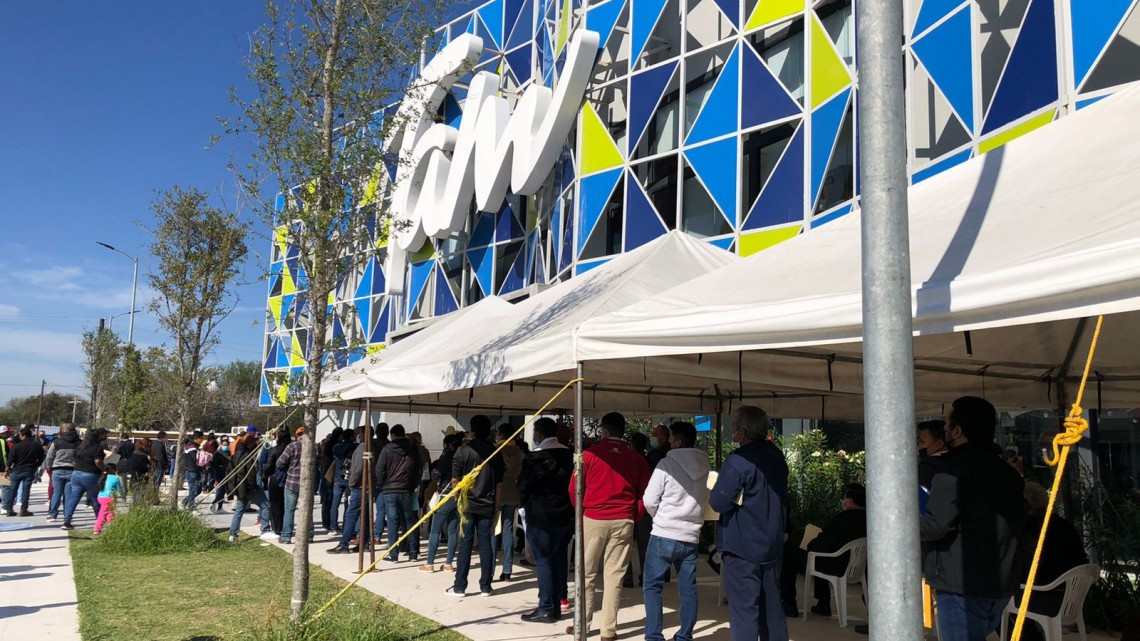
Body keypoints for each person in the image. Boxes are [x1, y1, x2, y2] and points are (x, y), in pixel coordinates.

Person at [921, 396, 1027, 641]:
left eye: (947, 424)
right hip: (1001, 582)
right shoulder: (1009, 474)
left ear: (957, 431)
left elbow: (936, 525)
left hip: (962, 584)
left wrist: (899, 524)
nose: (944, 428)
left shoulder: (952, 471)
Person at [567, 411, 651, 639]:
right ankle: (608, 630)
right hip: (624, 518)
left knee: (586, 573)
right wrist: (636, 514)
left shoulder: (589, 455)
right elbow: (645, 493)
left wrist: (581, 511)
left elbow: (574, 489)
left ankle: (581, 625)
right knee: (615, 576)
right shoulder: (637, 458)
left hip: (593, 517)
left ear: (604, 430)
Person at [711, 405, 789, 641]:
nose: (732, 431)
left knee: (745, 612)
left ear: (742, 432)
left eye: (734, 427)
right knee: (772, 612)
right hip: (772, 543)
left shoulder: (738, 461)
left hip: (743, 547)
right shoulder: (776, 456)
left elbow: (718, 502)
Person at [642, 421, 710, 641]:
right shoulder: (704, 464)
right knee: (688, 590)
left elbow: (649, 499)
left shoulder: (666, 464)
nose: (667, 441)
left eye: (670, 437)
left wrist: (659, 517)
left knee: (652, 586)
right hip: (690, 535)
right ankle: (685, 635)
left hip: (664, 532)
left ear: (678, 441)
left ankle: (654, 635)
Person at [1013, 482, 1088, 641]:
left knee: (1000, 600)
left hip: (1045, 598)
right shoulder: (1064, 526)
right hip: (1071, 600)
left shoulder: (1029, 529)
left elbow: (1023, 570)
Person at [517, 417, 573, 623]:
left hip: (540, 515)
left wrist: (523, 502)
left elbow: (523, 487)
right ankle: (560, 598)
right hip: (565, 514)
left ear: (539, 434)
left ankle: (547, 607)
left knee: (543, 560)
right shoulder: (569, 455)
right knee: (559, 558)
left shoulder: (534, 458)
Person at [445, 415, 504, 598]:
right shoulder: (495, 452)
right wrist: (496, 505)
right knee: (486, 545)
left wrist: (457, 498)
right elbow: (499, 484)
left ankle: (460, 586)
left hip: (467, 504)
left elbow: (455, 479)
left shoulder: (463, 451)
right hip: (487, 503)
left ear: (472, 430)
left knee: (465, 545)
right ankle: (486, 586)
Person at [795, 483, 867, 617]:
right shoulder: (869, 520)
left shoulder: (843, 520)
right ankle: (822, 603)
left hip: (837, 565)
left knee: (794, 556)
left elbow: (822, 544)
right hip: (857, 567)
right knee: (818, 556)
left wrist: (811, 543)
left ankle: (790, 603)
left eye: (844, 498)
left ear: (850, 501)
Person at [376, 424, 422, 561]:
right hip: (407, 489)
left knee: (392, 522)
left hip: (390, 490)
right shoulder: (413, 449)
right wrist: (413, 485)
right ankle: (413, 552)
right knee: (409, 521)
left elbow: (379, 470)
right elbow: (418, 470)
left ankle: (393, 553)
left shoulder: (387, 449)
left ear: (392, 435)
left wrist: (383, 483)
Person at [421, 431, 463, 572]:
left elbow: (436, 473)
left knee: (435, 530)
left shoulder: (449, 455)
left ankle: (429, 563)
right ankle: (449, 563)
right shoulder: (464, 454)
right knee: (452, 530)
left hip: (445, 494)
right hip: (458, 496)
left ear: (448, 445)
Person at [228, 427, 271, 542]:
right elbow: (250, 474)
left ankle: (233, 533)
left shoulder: (236, 454)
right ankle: (265, 530)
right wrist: (253, 487)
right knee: (265, 505)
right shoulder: (248, 457)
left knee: (239, 510)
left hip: (240, 487)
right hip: (249, 487)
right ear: (250, 444)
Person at [492, 422, 523, 581]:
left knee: (493, 532)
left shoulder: (496, 449)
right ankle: (507, 570)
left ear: (501, 434)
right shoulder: (518, 451)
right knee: (507, 532)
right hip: (513, 493)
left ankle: (489, 571)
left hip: (497, 494)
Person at [329, 426, 367, 554]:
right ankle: (363, 540)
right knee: (354, 511)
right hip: (355, 482)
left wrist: (352, 482)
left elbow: (357, 468)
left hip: (349, 481)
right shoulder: (358, 447)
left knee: (347, 510)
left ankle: (340, 536)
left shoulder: (358, 448)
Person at [62, 429, 108, 530]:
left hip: (76, 473)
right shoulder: (97, 448)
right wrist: (104, 470)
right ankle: (100, 522)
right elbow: (97, 461)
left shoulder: (80, 447)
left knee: (73, 498)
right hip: (90, 475)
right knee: (95, 499)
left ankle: (66, 521)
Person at [3, 426, 46, 516]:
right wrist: (36, 465)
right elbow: (42, 457)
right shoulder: (36, 446)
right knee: (26, 491)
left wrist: (8, 468)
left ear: (24, 436)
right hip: (29, 470)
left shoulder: (17, 446)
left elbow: (11, 459)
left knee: (13, 490)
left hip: (17, 470)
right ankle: (24, 510)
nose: (19, 437)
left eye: (20, 435)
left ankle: (9, 509)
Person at [44, 422, 81, 521]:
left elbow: (50, 456)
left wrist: (49, 466)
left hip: (57, 470)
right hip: (72, 470)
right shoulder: (79, 443)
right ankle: (67, 515)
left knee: (56, 492)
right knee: (68, 494)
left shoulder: (56, 442)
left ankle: (52, 514)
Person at [276, 427, 306, 545]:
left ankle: (286, 536)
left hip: (292, 482)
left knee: (289, 510)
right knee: (306, 510)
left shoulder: (292, 446)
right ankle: (309, 535)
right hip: (307, 484)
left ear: (297, 435)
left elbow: (280, 463)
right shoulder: (314, 447)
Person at [265, 428, 291, 538]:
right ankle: (286, 527)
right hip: (289, 479)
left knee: (275, 505)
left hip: (276, 478)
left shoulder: (274, 450)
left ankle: (277, 528)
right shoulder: (292, 448)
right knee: (287, 506)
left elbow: (269, 465)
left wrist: (265, 475)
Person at [318, 427, 342, 534]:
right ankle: (329, 523)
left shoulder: (328, 444)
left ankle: (326, 522)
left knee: (326, 500)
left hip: (326, 473)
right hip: (330, 474)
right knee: (330, 500)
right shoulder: (336, 446)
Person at [330, 429, 354, 535]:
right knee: (347, 503)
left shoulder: (336, 447)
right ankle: (346, 526)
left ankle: (333, 526)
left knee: (335, 503)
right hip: (349, 477)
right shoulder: (354, 447)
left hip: (337, 477)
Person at [93, 462, 126, 534]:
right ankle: (97, 529)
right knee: (102, 513)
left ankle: (113, 527)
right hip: (108, 498)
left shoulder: (103, 476)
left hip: (100, 497)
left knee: (110, 512)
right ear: (114, 470)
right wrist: (123, 496)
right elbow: (120, 489)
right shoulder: (115, 478)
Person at [180, 436, 203, 508]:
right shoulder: (192, 449)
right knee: (193, 490)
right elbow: (194, 460)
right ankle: (191, 506)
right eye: (200, 438)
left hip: (194, 471)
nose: (201, 440)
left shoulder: (193, 447)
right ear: (195, 438)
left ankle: (185, 501)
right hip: (192, 471)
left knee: (198, 490)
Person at [128, 439, 152, 505]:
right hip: (141, 479)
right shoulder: (143, 457)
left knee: (136, 497)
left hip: (133, 479)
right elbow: (147, 469)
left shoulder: (133, 455)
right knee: (140, 498)